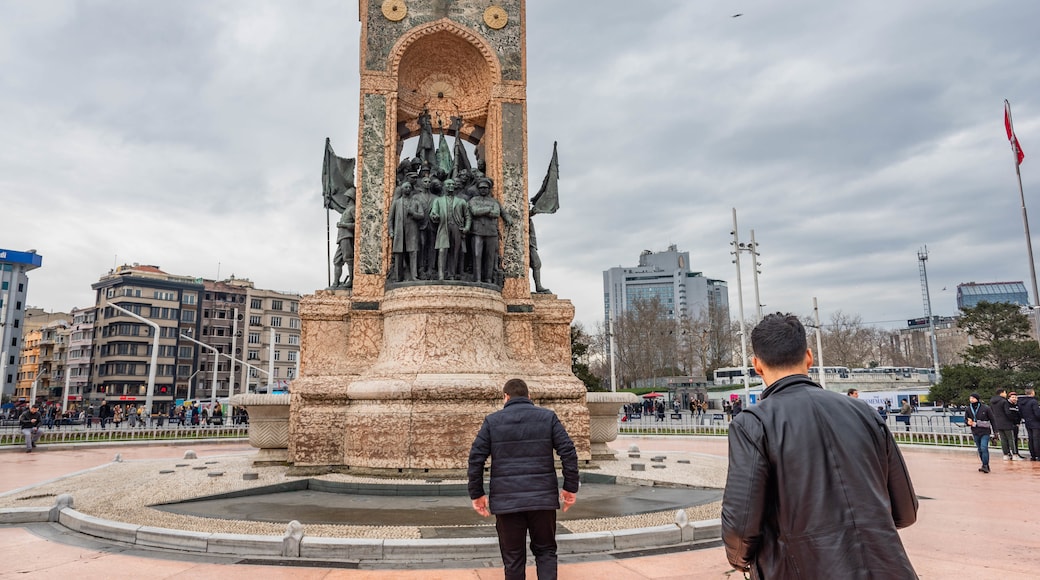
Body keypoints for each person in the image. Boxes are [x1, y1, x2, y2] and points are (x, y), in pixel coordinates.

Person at [721, 313, 918, 578]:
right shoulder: (865, 413)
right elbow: (905, 510)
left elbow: (741, 525)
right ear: (809, 357)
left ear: (757, 365)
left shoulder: (753, 423)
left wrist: (739, 559)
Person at [468, 378, 579, 580]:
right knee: (546, 551)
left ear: (505, 397)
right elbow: (568, 452)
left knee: (513, 558)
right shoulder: (548, 418)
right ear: (529, 397)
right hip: (542, 499)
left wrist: (477, 494)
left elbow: (476, 458)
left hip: (507, 501)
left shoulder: (492, 421)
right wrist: (570, 488)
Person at [467, 177, 513, 285]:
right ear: (478, 189)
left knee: (490, 256)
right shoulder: (474, 200)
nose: (483, 190)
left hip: (491, 232)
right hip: (477, 232)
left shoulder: (494, 201)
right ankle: (477, 278)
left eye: (486, 188)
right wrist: (488, 210)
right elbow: (474, 211)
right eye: (481, 188)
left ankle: (488, 278)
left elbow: (498, 213)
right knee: (477, 255)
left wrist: (508, 218)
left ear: (489, 189)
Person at [429, 178, 471, 280]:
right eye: (448, 185)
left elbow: (467, 216)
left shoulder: (461, 201)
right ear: (444, 186)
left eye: (452, 185)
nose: (450, 186)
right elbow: (433, 212)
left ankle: (451, 274)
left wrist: (466, 228)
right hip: (443, 226)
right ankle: (441, 275)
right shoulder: (438, 200)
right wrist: (434, 216)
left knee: (454, 251)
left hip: (456, 227)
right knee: (442, 250)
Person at [965, 393, 995, 473]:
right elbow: (965, 420)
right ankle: (984, 464)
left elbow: (992, 420)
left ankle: (985, 465)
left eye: (973, 398)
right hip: (975, 432)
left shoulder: (986, 408)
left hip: (985, 431)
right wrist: (968, 422)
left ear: (977, 399)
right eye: (970, 398)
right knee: (980, 449)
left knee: (984, 447)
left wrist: (995, 432)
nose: (971, 400)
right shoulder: (968, 409)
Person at [990, 388, 1017, 460]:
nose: (1005, 394)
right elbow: (1007, 413)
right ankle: (1014, 454)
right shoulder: (1004, 402)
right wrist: (1013, 419)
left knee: (1003, 439)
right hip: (1007, 423)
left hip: (998, 423)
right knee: (1011, 439)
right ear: (1001, 393)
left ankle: (1006, 454)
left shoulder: (992, 402)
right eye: (1005, 393)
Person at [1018, 388, 1040, 461]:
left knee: (1030, 439)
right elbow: (1037, 413)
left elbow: (1020, 413)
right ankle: (1038, 455)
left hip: (1027, 422)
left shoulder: (1021, 402)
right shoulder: (1033, 401)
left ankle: (1033, 455)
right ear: (1032, 393)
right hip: (1036, 423)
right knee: (1036, 439)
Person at [1007, 392, 1024, 458]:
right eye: (1012, 397)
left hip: (1016, 425)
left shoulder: (1017, 405)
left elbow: (1019, 414)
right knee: (1010, 439)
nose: (1014, 399)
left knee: (1015, 439)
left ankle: (1016, 452)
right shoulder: (1007, 405)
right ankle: (1010, 453)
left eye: (1015, 397)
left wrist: (1018, 422)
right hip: (1010, 424)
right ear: (1009, 398)